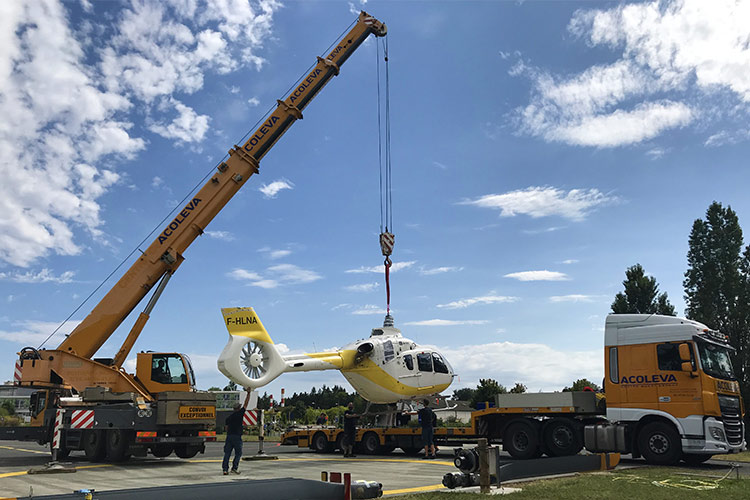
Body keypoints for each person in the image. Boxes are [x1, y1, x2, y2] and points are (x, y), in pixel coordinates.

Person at [222, 392, 250, 475]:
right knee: (238, 453)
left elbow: (226, 428)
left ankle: (225, 469)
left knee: (227, 453)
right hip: (237, 437)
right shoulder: (240, 414)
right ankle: (234, 468)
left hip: (229, 436)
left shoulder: (228, 418)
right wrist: (248, 393)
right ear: (239, 408)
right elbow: (246, 403)